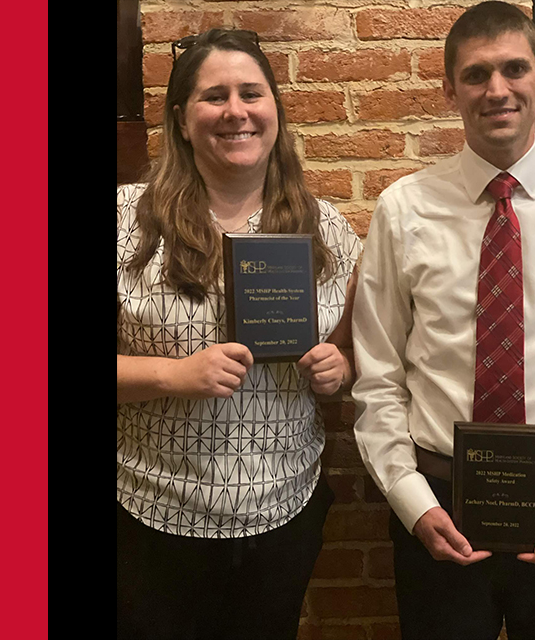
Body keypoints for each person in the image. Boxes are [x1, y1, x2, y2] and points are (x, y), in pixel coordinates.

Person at [351, 3, 535, 639]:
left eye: (514, 69)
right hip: (440, 501)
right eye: (476, 74)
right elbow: (377, 377)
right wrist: (411, 502)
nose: (497, 90)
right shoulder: (402, 210)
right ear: (449, 88)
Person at [116, 28, 362, 640]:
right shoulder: (125, 218)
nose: (236, 111)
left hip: (283, 515)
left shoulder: (324, 226)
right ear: (180, 118)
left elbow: (358, 349)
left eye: (251, 93)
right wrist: (174, 374)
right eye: (214, 96)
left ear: (274, 109)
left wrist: (342, 369)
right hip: (152, 516)